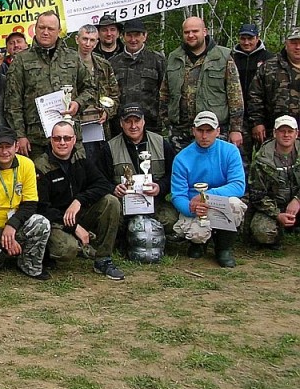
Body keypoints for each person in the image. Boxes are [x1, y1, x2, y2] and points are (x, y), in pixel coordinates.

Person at [34, 121, 125, 280]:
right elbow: (42, 208)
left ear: (74, 140)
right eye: (57, 138)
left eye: (67, 138)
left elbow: (103, 184)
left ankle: (103, 259)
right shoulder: (40, 166)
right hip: (54, 221)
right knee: (66, 250)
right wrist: (74, 227)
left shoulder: (81, 158)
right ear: (51, 140)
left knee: (111, 201)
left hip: (78, 212)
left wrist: (79, 200)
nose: (62, 142)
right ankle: (48, 253)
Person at [4, 10, 95, 157]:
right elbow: (13, 102)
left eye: (50, 29)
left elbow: (91, 88)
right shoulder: (21, 60)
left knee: (77, 178)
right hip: (36, 141)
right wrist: (20, 135)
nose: (45, 32)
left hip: (69, 137)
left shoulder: (72, 58)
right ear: (35, 28)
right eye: (41, 27)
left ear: (59, 31)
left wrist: (78, 103)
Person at [0, 127, 51, 279]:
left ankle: (29, 265)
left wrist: (12, 225)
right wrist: (1, 236)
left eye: (8, 146)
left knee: (41, 222)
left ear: (16, 146)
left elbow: (30, 204)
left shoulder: (27, 165)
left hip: (15, 226)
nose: (4, 152)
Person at [171, 111, 246, 267]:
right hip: (196, 207)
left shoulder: (230, 151)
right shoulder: (181, 158)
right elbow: (177, 195)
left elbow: (238, 185)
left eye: (209, 131)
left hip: (220, 203)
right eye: (200, 130)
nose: (204, 136)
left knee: (236, 204)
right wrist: (191, 208)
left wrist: (207, 196)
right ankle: (199, 243)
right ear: (193, 131)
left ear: (218, 131)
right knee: (197, 235)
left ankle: (223, 248)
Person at [159, 17, 244, 150]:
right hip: (180, 132)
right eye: (187, 32)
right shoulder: (174, 57)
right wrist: (167, 122)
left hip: (212, 131)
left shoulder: (223, 57)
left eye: (195, 31)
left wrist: (236, 129)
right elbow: (165, 93)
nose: (191, 35)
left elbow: (235, 96)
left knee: (212, 169)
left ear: (204, 32)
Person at [103, 104, 178, 232]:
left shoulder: (160, 143)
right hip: (124, 203)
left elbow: (174, 174)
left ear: (143, 121)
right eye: (128, 122)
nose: (133, 126)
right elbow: (100, 179)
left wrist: (160, 187)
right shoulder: (109, 148)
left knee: (172, 220)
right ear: (121, 123)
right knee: (112, 220)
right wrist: (113, 189)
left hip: (154, 202)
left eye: (137, 121)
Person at [248, 115, 300, 247]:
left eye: (290, 131)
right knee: (262, 232)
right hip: (274, 206)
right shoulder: (262, 159)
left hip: (297, 203)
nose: (286, 135)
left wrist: (297, 200)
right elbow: (257, 195)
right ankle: (280, 231)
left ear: (296, 133)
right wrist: (277, 214)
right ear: (274, 133)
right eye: (282, 131)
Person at [108, 18, 165, 134]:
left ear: (144, 36)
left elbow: (165, 93)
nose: (133, 39)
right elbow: (108, 95)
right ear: (123, 37)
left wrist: (163, 118)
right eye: (129, 35)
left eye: (137, 35)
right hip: (120, 127)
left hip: (151, 125)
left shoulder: (157, 60)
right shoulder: (112, 63)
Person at [75, 24, 120, 164]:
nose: (88, 44)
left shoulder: (103, 65)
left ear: (97, 42)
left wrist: (107, 112)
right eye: (85, 39)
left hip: (99, 129)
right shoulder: (66, 64)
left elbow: (115, 96)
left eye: (92, 40)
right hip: (74, 128)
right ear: (77, 39)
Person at [248, 27, 300, 146]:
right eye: (293, 43)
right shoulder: (269, 67)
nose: (298, 47)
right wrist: (257, 123)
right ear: (286, 44)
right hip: (274, 131)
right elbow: (255, 96)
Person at [233, 23, 273, 164]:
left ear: (257, 38)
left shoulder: (269, 59)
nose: (246, 42)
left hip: (264, 118)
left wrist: (259, 120)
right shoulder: (232, 58)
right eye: (243, 38)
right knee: (241, 159)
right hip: (240, 119)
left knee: (267, 158)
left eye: (250, 38)